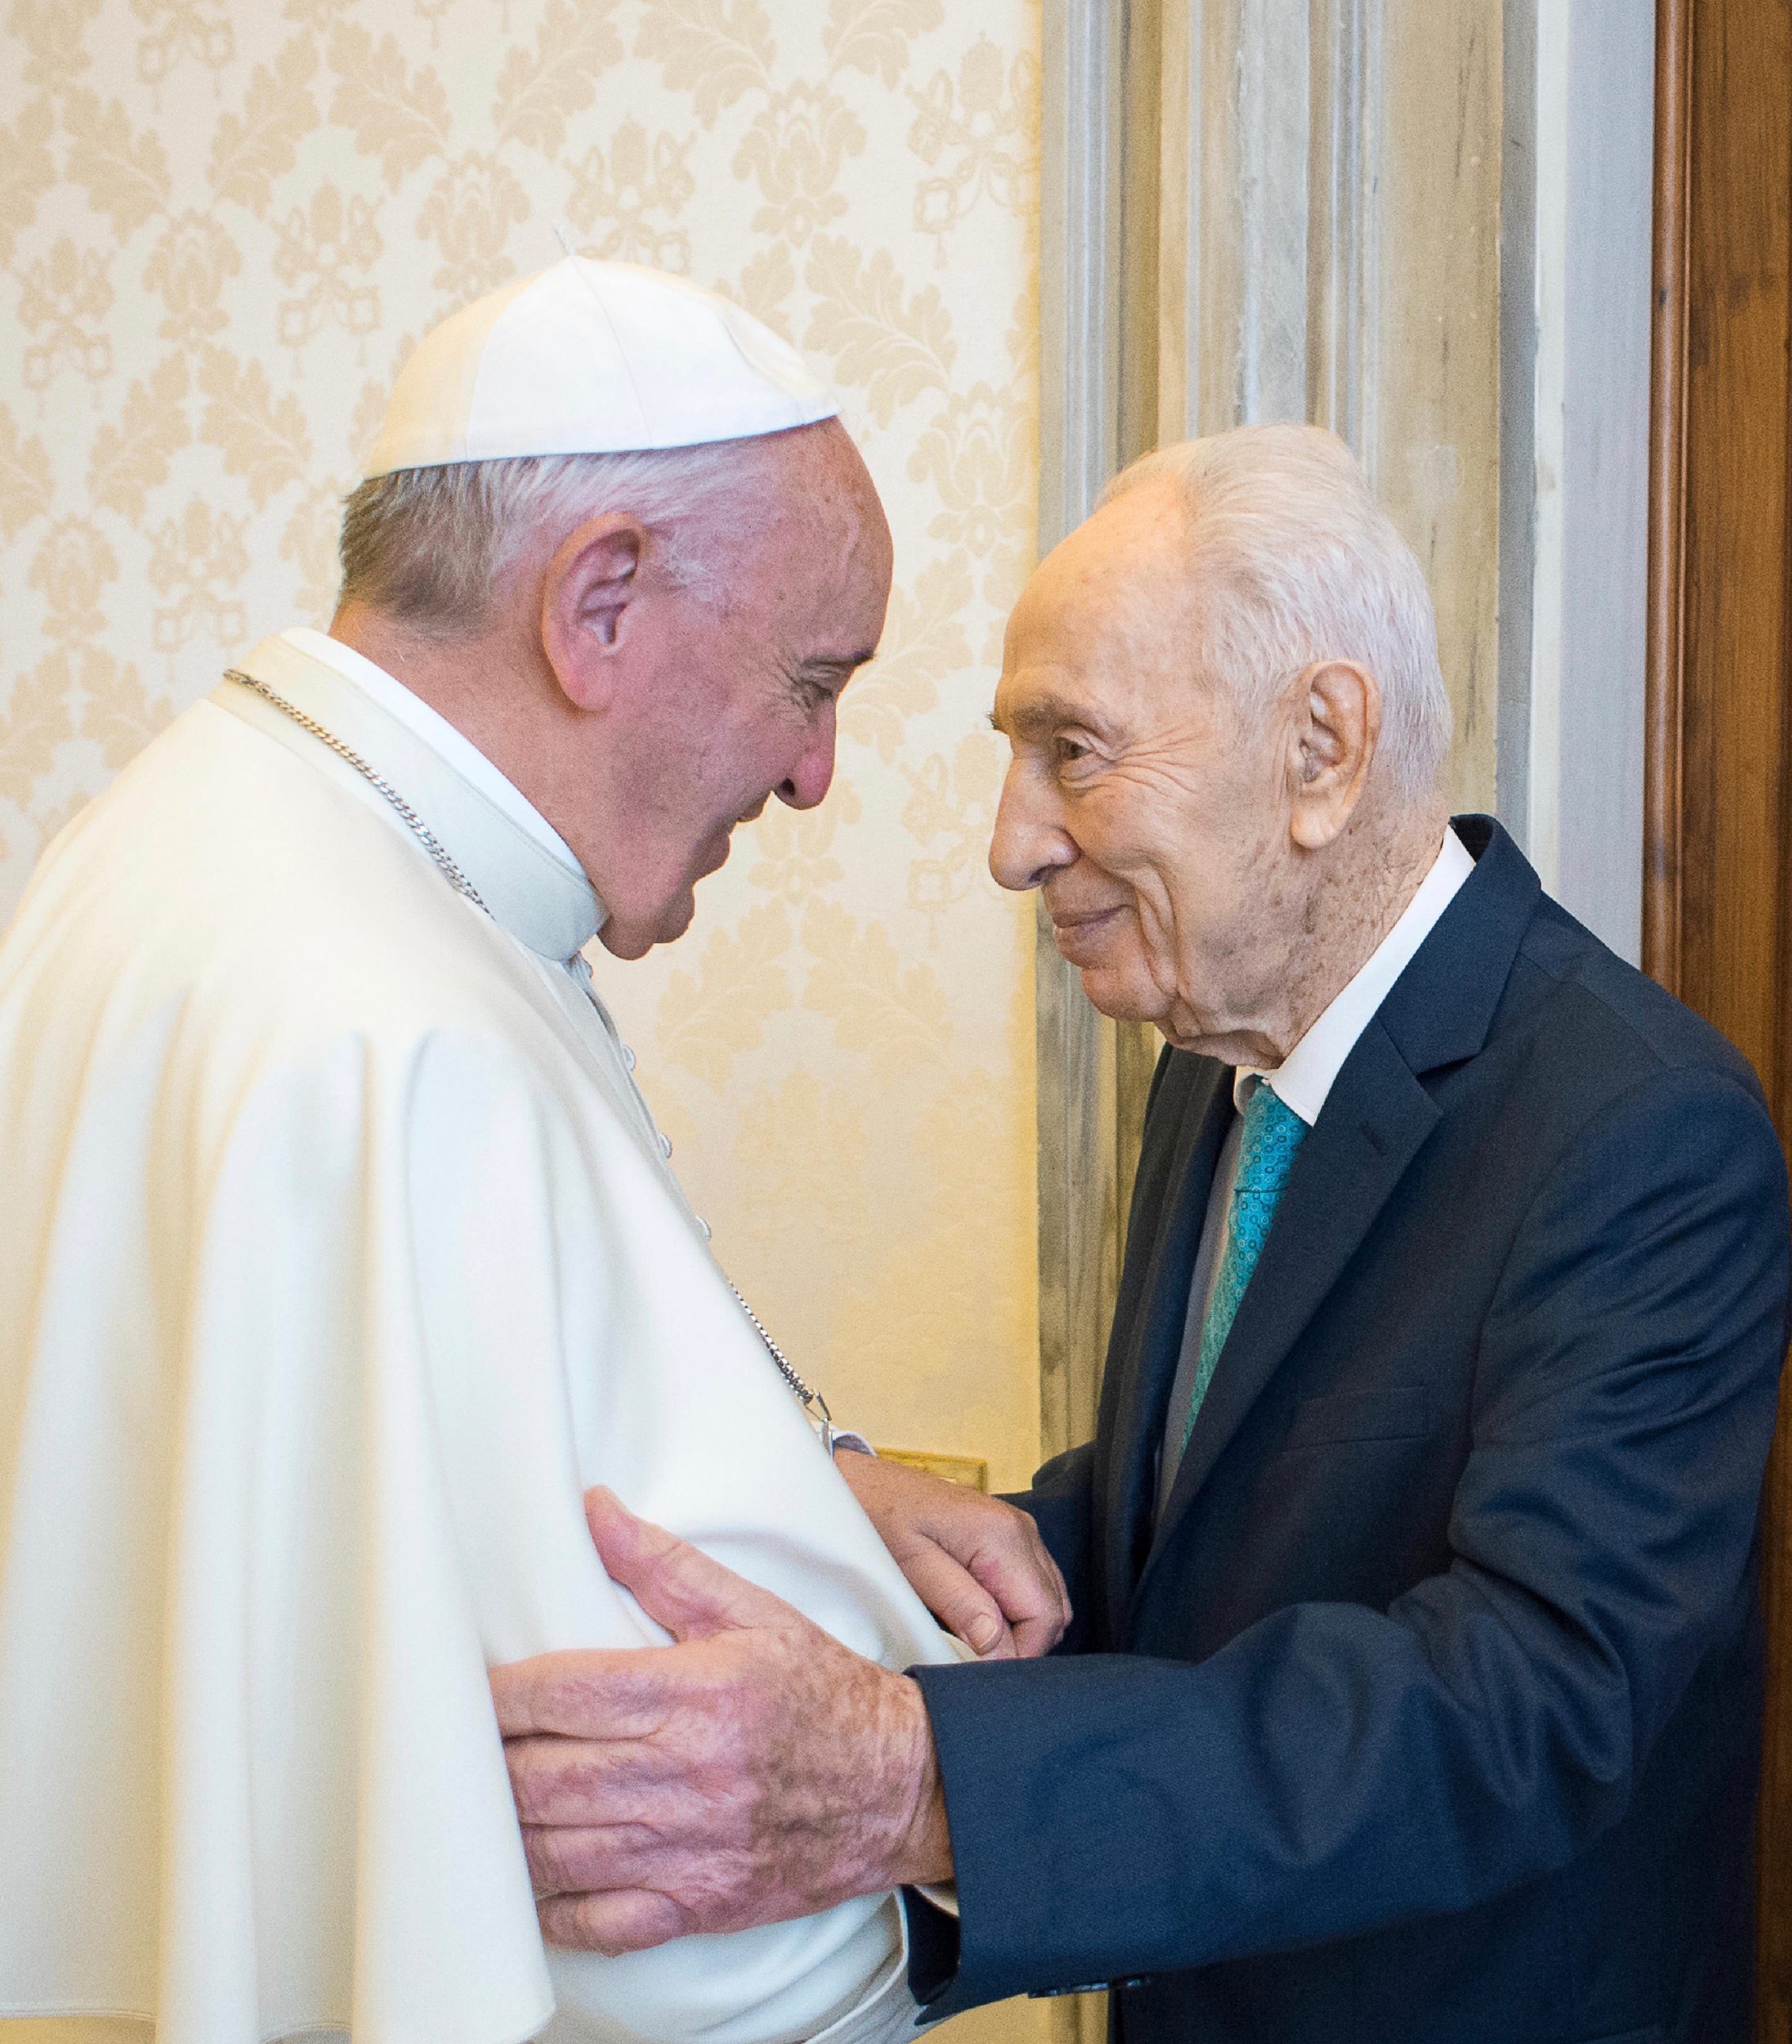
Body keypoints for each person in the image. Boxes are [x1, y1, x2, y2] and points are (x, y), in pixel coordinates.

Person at [492, 425, 1792, 2044]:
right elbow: (1224, 1505)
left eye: (1072, 751)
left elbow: (1526, 1703)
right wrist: (920, 1548)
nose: (1011, 840)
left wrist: (915, 1778)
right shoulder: (1213, 1054)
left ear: (1319, 745)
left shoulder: (1635, 1127)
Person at [0, 256, 1067, 2044]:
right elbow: (668, 1912)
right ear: (600, 601)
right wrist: (912, 1853)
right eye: (811, 682)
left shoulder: (161, 850)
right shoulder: (393, 1022)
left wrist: (826, 1485)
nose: (812, 775)